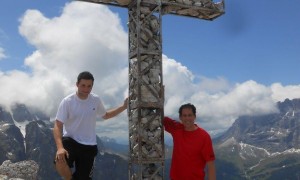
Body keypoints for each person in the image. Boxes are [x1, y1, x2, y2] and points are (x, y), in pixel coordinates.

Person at [53, 71, 128, 180]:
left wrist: (124, 107)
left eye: (89, 86)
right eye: (83, 85)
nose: (86, 89)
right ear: (77, 84)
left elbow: (106, 115)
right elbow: (57, 125)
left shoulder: (95, 100)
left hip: (89, 145)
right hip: (70, 140)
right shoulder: (67, 102)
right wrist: (60, 148)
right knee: (60, 162)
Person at [164, 103, 216, 180]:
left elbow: (210, 164)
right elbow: (160, 117)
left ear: (194, 116)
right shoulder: (176, 128)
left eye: (190, 115)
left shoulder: (204, 136)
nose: (187, 118)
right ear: (180, 117)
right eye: (184, 116)